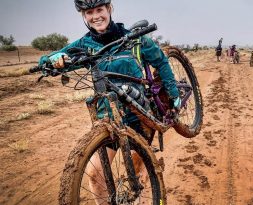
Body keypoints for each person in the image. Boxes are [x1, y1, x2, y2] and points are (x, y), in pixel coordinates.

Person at [38, 0, 181, 203]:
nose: (96, 16)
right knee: (95, 175)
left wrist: (173, 94)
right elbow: (49, 60)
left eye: (99, 10)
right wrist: (52, 60)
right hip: (109, 117)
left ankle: (137, 198)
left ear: (109, 9)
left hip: (139, 114)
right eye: (89, 12)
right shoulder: (84, 45)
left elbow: (161, 62)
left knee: (136, 168)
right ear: (84, 16)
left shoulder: (133, 39)